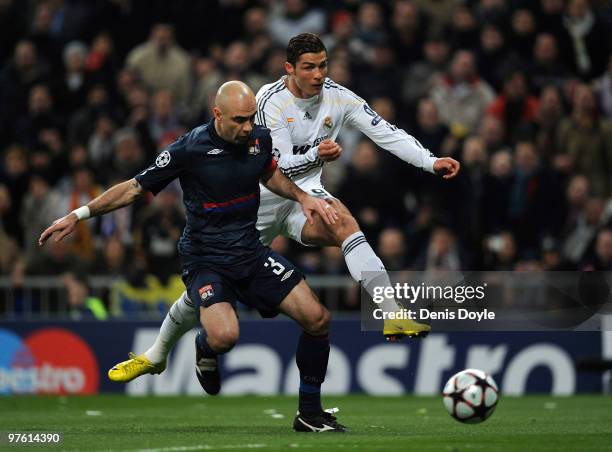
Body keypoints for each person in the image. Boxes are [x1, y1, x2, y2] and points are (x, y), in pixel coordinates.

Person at [112, 33, 460, 390]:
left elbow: (385, 132)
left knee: (345, 225)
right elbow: (273, 168)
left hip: (302, 199)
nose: (318, 74)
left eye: (323, 65)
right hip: (256, 205)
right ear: (289, 69)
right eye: (309, 67)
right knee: (208, 289)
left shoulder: (340, 98)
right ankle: (166, 351)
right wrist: (316, 156)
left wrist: (430, 162)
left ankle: (389, 312)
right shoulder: (269, 101)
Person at [39, 81, 347, 432]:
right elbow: (134, 187)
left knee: (318, 318)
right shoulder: (189, 148)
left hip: (249, 251)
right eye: (239, 120)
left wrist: (302, 197)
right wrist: (77, 215)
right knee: (224, 336)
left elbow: (270, 173)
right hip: (207, 259)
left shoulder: (259, 138)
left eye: (251, 118)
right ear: (217, 115)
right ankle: (205, 346)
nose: (248, 127)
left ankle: (309, 413)